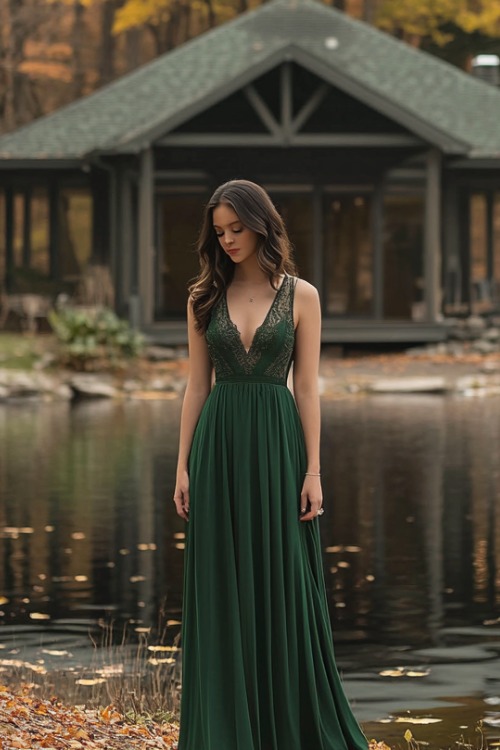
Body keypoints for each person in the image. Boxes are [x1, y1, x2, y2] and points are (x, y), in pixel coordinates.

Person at [173, 179, 368, 750]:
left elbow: (307, 388)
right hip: (220, 446)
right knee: (223, 582)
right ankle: (226, 729)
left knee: (283, 578)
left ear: (261, 224)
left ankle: (287, 722)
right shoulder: (202, 296)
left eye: (237, 228)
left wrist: (313, 470)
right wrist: (182, 466)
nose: (228, 240)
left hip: (279, 447)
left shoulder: (301, 295)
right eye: (219, 232)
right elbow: (195, 387)